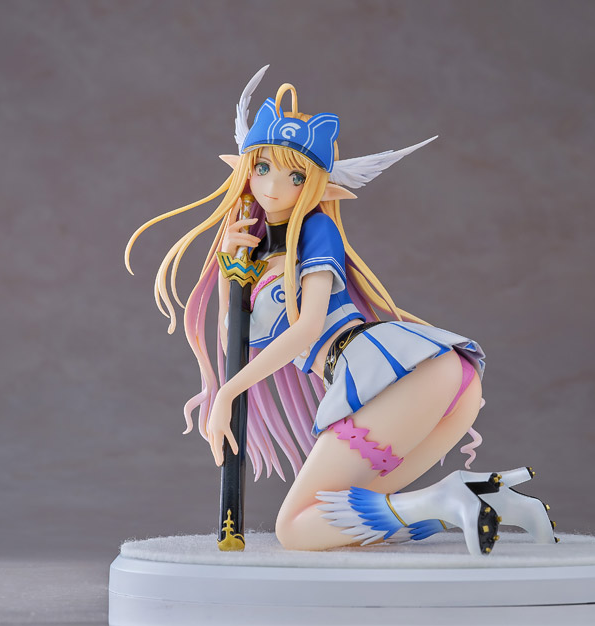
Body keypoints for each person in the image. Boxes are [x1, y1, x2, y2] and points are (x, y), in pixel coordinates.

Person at [126, 66, 558, 555]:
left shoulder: (316, 231)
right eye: (262, 168)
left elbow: (308, 326)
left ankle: (448, 499)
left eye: (295, 176)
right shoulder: (259, 251)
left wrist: (228, 393)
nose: (273, 187)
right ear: (245, 169)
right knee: (350, 514)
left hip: (395, 372)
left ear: (316, 185)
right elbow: (234, 339)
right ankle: (486, 499)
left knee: (296, 529)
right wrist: (231, 267)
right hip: (415, 381)